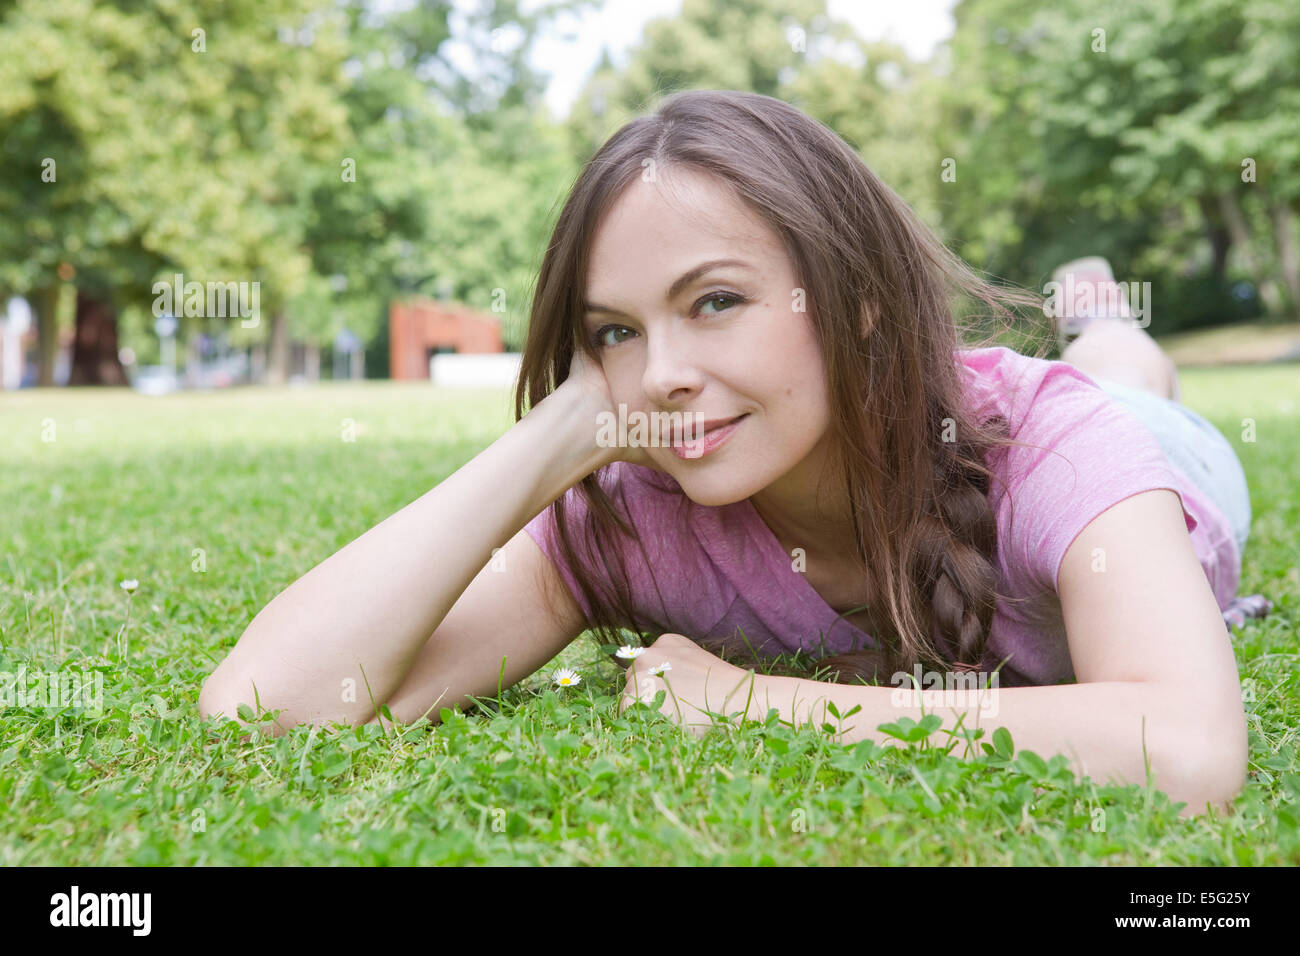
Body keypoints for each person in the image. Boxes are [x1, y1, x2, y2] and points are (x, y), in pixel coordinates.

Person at [199, 90, 1258, 817]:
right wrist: (558, 432)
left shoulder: (1056, 446)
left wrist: (755, 699)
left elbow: (1190, 745)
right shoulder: (634, 510)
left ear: (860, 299)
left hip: (1154, 452)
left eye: (715, 301)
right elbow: (266, 703)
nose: (660, 371)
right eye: (615, 328)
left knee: (1126, 374)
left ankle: (1106, 315)